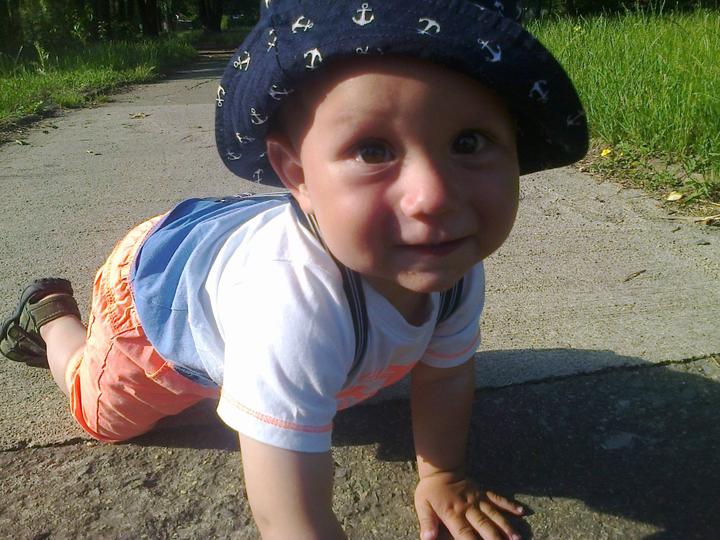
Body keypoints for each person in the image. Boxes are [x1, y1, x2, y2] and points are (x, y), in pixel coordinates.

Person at [0, 1, 588, 538]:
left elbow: (444, 372)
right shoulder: (290, 309)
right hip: (155, 293)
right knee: (103, 416)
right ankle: (52, 318)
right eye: (374, 151)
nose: (434, 196)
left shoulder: (443, 254)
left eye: (469, 142)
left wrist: (443, 473)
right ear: (296, 174)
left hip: (239, 240)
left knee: (302, 368)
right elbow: (288, 519)